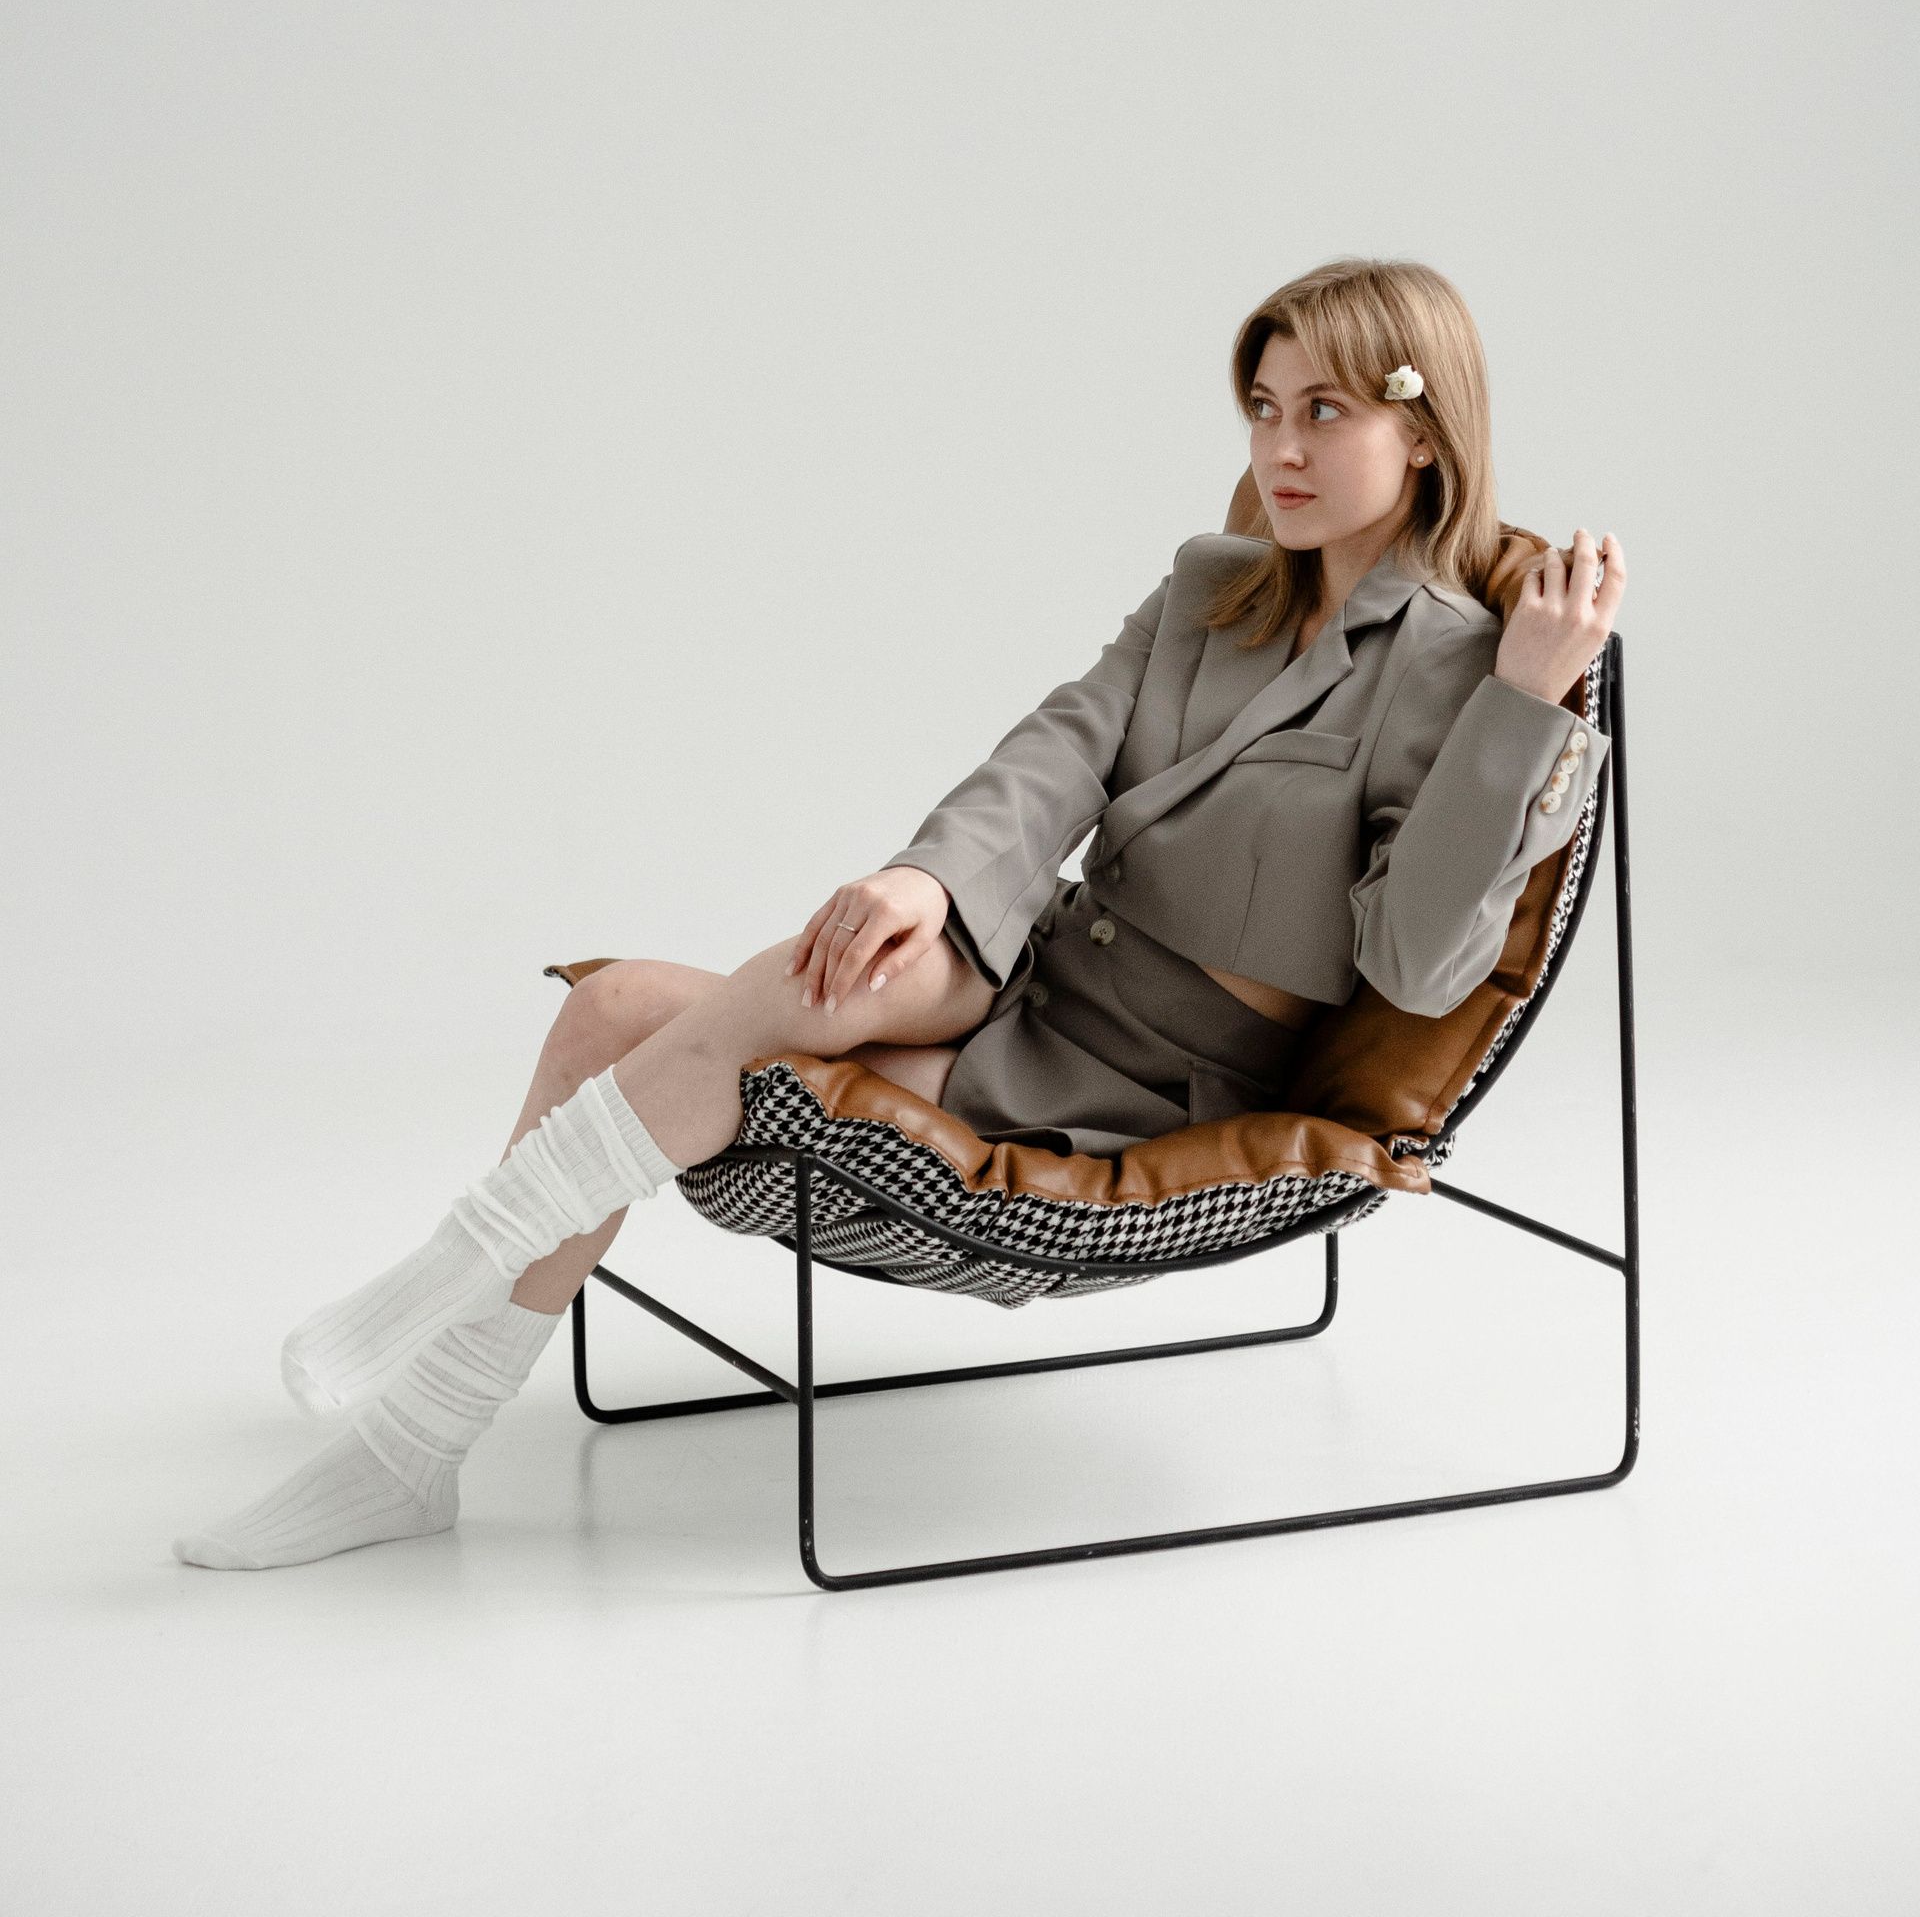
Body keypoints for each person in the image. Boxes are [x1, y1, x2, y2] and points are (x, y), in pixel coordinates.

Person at [174, 257, 1625, 1571]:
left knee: (629, 1021)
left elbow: (1416, 965)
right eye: (1262, 409)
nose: (1280, 450)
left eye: (1324, 413)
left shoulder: (1463, 667)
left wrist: (1524, 705)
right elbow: (1065, 743)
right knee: (634, 1000)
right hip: (1036, 969)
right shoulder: (1212, 586)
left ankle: (425, 1379)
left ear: (1421, 434)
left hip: (1152, 1078)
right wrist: (928, 880)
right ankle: (421, 1421)